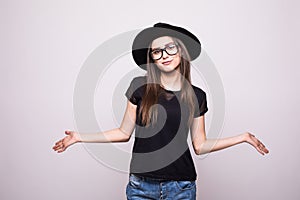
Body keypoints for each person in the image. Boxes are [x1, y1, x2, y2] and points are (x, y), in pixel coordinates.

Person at [52, 22, 269, 200]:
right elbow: (123, 133)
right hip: (141, 187)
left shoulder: (197, 95)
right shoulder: (139, 87)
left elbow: (200, 145)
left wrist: (243, 137)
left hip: (181, 187)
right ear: (152, 58)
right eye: (157, 51)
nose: (164, 54)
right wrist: (79, 137)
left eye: (170, 47)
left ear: (181, 50)